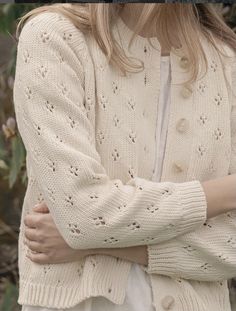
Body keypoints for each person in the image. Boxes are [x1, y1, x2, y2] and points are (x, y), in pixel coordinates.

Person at [13, 2, 236, 311]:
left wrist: (108, 243)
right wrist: (224, 193)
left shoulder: (227, 65)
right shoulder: (54, 39)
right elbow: (82, 214)